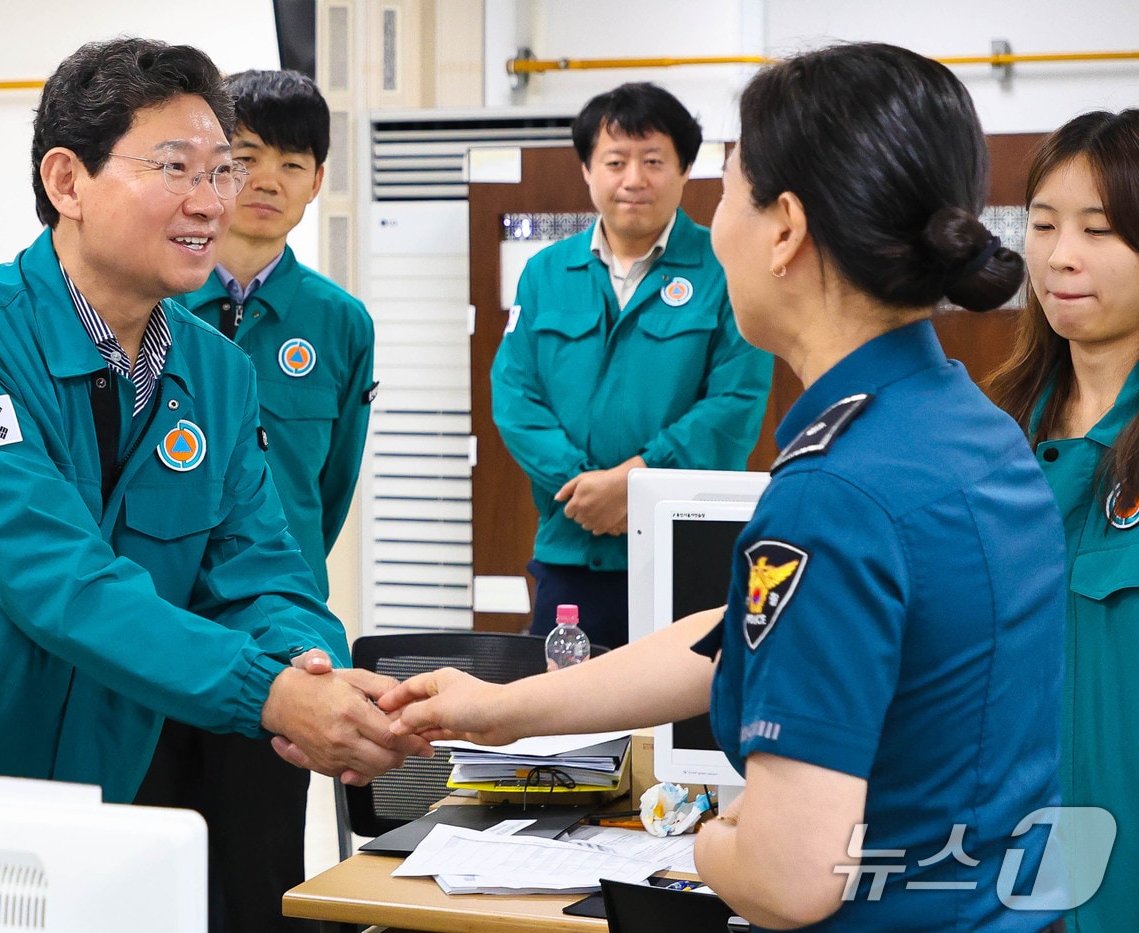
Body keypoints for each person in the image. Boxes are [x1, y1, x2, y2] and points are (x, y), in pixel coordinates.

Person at [358, 43, 1071, 931]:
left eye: (728, 189)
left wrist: (703, 839)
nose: (713, 219)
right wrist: (504, 710)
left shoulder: (834, 495)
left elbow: (787, 877)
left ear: (785, 230)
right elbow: (738, 634)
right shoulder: (970, 429)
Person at [0, 38, 426, 806]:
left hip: (75, 796)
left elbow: (261, 567)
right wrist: (269, 694)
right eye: (175, 168)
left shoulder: (217, 374)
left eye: (219, 171)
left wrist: (311, 664)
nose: (211, 201)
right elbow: (59, 579)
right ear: (68, 180)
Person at [134, 69, 375, 933]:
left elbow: (330, 484)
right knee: (147, 857)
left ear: (318, 181)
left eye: (296, 161)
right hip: (155, 631)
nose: (268, 179)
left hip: (278, 642)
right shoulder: (149, 302)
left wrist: (285, 593)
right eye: (246, 157)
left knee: (263, 864)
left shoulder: (339, 320)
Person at [492, 81, 772, 650]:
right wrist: (584, 488)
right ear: (587, 170)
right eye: (615, 161)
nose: (634, 180)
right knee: (568, 724)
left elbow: (735, 403)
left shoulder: (725, 270)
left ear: (686, 169)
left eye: (653, 161)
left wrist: (636, 486)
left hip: (689, 547)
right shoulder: (545, 272)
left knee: (685, 729)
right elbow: (514, 395)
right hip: (573, 547)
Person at [990, 109, 1139, 933]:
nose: (1060, 256)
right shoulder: (994, 428)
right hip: (1010, 865)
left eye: (1101, 228)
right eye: (1043, 225)